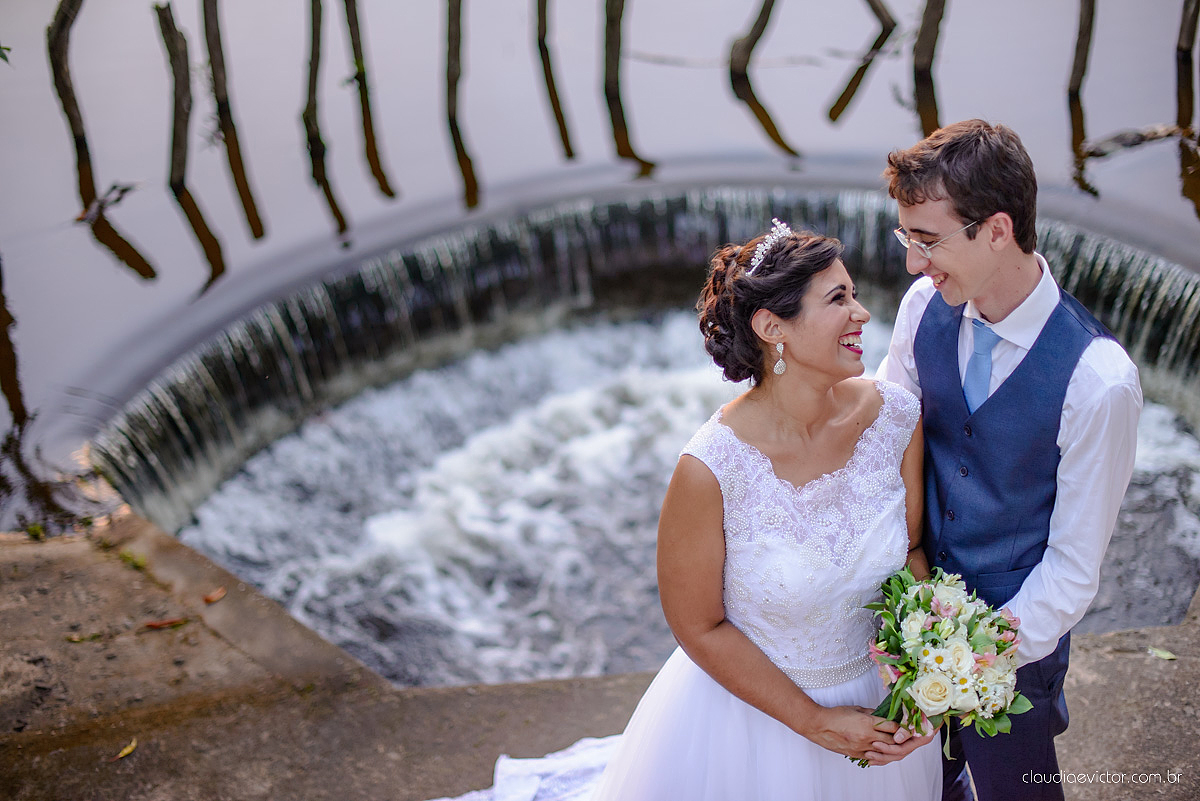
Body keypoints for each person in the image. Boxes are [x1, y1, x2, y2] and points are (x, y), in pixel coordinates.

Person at [583, 220, 940, 800]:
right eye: (838, 299)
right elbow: (698, 624)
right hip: (750, 725)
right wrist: (812, 720)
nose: (862, 315)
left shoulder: (896, 418)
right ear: (774, 327)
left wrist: (926, 675)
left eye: (853, 294)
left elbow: (912, 553)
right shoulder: (709, 470)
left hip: (880, 715)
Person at [874, 119, 1143, 801]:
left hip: (1016, 653)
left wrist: (969, 659)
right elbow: (885, 444)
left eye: (928, 241)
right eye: (907, 239)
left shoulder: (1098, 380)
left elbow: (1074, 569)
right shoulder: (921, 307)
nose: (914, 263)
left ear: (997, 230)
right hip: (907, 624)